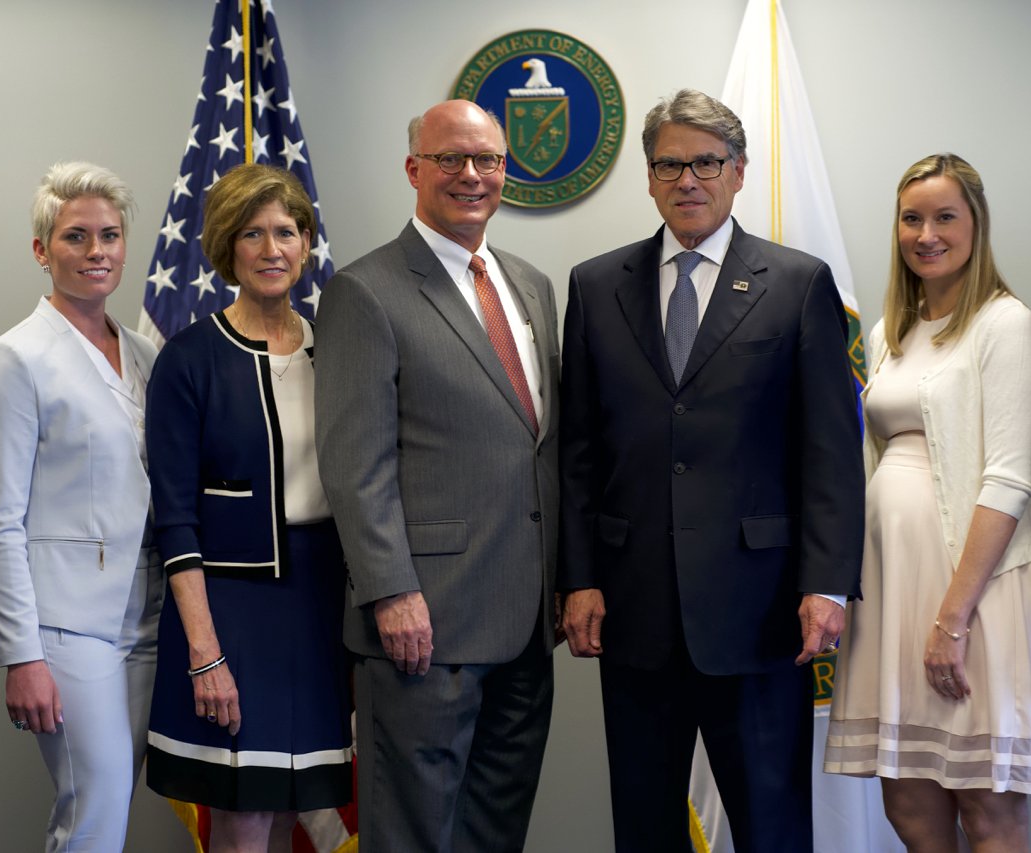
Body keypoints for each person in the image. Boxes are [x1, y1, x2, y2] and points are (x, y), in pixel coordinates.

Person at [558, 89, 863, 853]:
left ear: (738, 171)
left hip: (760, 609)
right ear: (650, 177)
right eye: (670, 164)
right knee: (645, 825)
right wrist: (579, 576)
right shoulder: (596, 286)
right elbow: (580, 450)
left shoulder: (797, 283)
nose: (687, 179)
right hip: (633, 606)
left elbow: (831, 449)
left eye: (706, 162)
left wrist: (827, 583)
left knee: (771, 824)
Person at [314, 99, 559, 852]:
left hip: (525, 622)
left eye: (487, 159)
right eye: (451, 158)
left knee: (496, 828)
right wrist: (391, 592)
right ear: (414, 168)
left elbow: (536, 446)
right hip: (423, 624)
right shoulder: (366, 291)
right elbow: (355, 464)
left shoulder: (530, 285)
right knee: (413, 833)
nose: (471, 174)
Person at [824, 153, 1031, 852]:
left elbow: (1008, 479)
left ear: (976, 225)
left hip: (974, 595)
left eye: (944, 217)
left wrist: (953, 618)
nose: (926, 233)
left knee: (988, 810)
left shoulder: (1005, 323)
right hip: (892, 588)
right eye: (912, 218)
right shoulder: (889, 334)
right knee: (908, 802)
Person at [144, 163, 352, 851]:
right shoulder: (190, 358)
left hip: (322, 602)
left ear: (306, 242)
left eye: (286, 232)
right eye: (253, 233)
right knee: (243, 818)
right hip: (229, 610)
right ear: (226, 246)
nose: (272, 249)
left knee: (298, 804)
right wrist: (205, 652)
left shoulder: (340, 347)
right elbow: (174, 517)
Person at [0, 161, 162, 852]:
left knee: (111, 800)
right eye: (75, 236)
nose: (97, 251)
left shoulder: (142, 353)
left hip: (146, 620)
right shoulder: (15, 359)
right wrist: (21, 655)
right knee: (96, 806)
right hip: (65, 626)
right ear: (41, 249)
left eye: (109, 235)